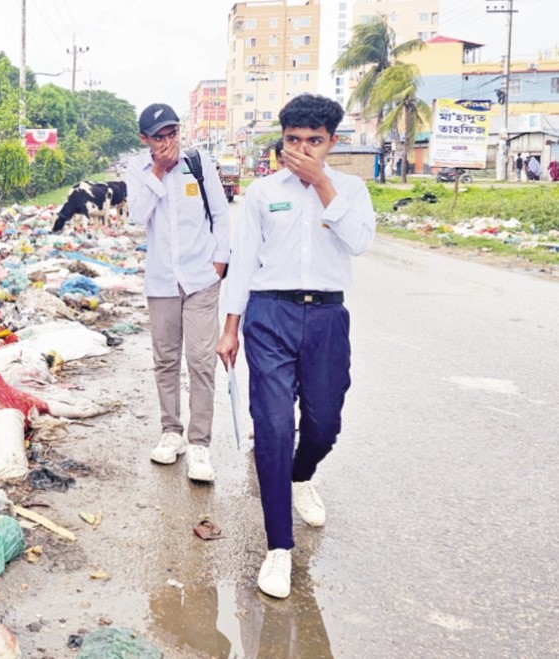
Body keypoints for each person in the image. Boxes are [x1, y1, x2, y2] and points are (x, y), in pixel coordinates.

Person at [216, 94, 375, 599]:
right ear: (281, 141)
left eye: (314, 141)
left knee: (325, 424)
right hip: (270, 315)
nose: (302, 150)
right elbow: (243, 264)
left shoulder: (349, 189)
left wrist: (324, 185)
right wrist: (230, 327)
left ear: (331, 142)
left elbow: (360, 241)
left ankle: (302, 475)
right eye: (292, 141)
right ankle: (278, 548)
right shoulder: (264, 193)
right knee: (275, 424)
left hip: (327, 316)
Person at [125, 103, 231, 482]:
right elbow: (136, 217)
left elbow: (220, 214)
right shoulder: (137, 170)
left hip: (201, 279)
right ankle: (172, 432)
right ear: (145, 140)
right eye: (159, 137)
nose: (168, 142)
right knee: (166, 360)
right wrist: (157, 171)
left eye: (172, 134)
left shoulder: (198, 163)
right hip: (162, 282)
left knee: (201, 360)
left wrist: (220, 259)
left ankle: (200, 444)